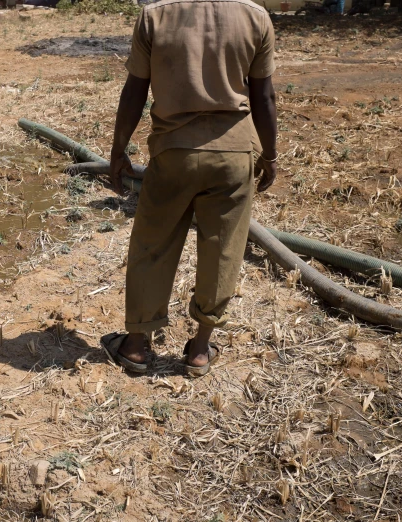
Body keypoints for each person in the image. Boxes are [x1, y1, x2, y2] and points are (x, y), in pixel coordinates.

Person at [100, 0, 278, 376]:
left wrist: (119, 149)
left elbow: (135, 88)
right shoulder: (256, 17)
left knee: (153, 244)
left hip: (173, 154)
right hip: (233, 155)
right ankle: (199, 350)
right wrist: (271, 155)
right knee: (224, 248)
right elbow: (264, 97)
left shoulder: (156, 16)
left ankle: (135, 346)